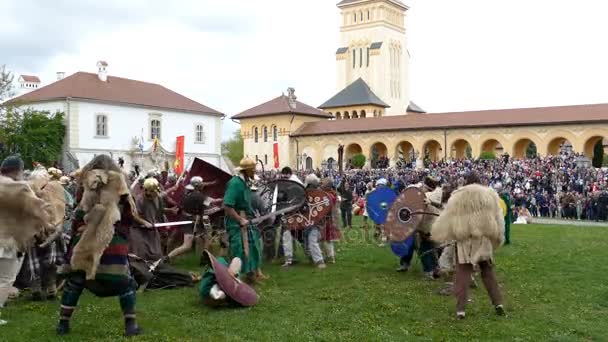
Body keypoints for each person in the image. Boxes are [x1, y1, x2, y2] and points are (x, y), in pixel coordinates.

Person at [56, 155, 142, 336]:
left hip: (84, 238)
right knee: (125, 283)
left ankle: (63, 325)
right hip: (112, 241)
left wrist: (78, 230)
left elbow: (78, 213)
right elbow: (128, 216)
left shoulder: (84, 185)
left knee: (76, 281)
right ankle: (130, 325)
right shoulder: (121, 187)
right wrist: (122, 233)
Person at [431, 179, 505, 319]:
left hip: (464, 240)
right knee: (488, 272)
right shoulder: (490, 195)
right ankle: (498, 303)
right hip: (483, 238)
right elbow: (499, 219)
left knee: (463, 274)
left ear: (466, 182)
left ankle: (461, 310)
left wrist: (446, 235)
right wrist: (498, 238)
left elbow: (446, 219)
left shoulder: (457, 196)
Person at [1, 156, 52, 325]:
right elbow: (37, 210)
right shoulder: (20, 187)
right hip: (8, 242)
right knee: (5, 280)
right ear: (18, 171)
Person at [223, 158, 266, 284]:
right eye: (252, 170)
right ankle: (236, 278)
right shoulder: (235, 183)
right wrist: (240, 219)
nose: (254, 172)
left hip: (246, 218)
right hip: (236, 221)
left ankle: (251, 275)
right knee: (239, 249)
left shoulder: (245, 182)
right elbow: (227, 206)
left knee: (253, 247)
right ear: (246, 171)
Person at [167, 176, 222, 260]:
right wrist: (225, 198)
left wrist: (212, 183)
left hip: (187, 218)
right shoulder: (198, 196)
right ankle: (166, 258)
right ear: (198, 186)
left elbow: (205, 202)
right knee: (187, 245)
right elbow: (212, 201)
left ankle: (204, 257)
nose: (203, 185)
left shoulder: (187, 193)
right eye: (201, 184)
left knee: (205, 237)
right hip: (189, 221)